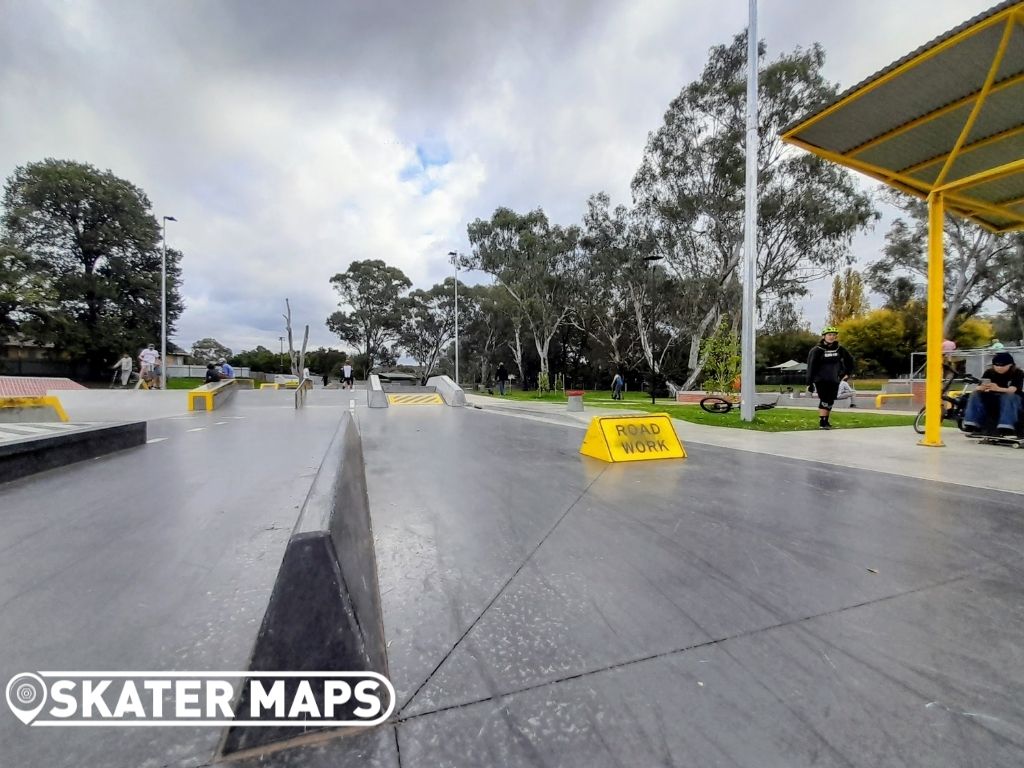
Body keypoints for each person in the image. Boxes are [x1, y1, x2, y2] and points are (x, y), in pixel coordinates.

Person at [962, 351, 1022, 436]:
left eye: (1003, 366)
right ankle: (972, 422)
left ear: (1010, 365)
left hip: (1013, 399)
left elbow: (1012, 390)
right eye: (996, 365)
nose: (999, 368)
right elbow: (979, 386)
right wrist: (982, 388)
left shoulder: (1017, 373)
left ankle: (1006, 425)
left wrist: (998, 388)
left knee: (1008, 396)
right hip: (993, 397)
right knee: (975, 393)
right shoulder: (989, 372)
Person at [807, 325, 855, 430]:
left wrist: (847, 373)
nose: (831, 337)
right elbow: (811, 366)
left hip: (834, 379)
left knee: (830, 400)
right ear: (824, 336)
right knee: (824, 399)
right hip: (821, 379)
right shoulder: (817, 350)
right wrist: (809, 382)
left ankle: (826, 420)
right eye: (829, 335)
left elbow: (850, 360)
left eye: (833, 335)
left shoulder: (839, 349)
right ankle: (822, 421)